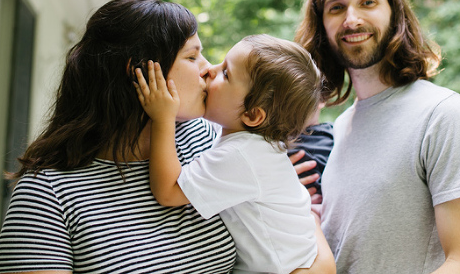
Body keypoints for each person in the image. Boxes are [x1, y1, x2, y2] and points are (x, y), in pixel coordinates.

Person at [0, 0, 237, 274]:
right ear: (140, 73)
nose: (208, 69)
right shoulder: (48, 196)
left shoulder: (209, 141)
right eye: (192, 56)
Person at [294, 0, 460, 274]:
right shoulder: (339, 129)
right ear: (322, 26)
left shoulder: (443, 114)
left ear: (394, 14)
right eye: (336, 7)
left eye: (367, 2)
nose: (351, 19)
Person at [135, 34, 336, 274]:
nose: (209, 69)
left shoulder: (241, 154)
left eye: (226, 74)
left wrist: (163, 118)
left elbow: (168, 192)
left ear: (252, 115)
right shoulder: (252, 144)